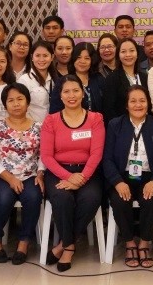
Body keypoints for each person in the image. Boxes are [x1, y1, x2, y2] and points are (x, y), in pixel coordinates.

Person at [40, 75, 106, 272]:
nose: (71, 95)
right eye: (66, 91)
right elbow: (46, 156)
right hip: (59, 171)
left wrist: (82, 177)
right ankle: (69, 247)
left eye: (75, 90)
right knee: (62, 198)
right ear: (60, 96)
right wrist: (69, 177)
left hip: (88, 170)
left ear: (83, 93)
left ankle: (63, 246)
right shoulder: (51, 121)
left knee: (92, 198)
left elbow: (96, 153)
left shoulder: (96, 118)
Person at [102, 85, 153, 268]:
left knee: (150, 199)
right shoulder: (115, 125)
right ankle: (129, 242)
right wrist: (117, 182)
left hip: (149, 175)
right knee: (119, 200)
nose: (138, 105)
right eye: (133, 101)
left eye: (142, 100)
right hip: (122, 175)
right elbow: (107, 159)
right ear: (126, 105)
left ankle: (145, 242)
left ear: (148, 104)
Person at [0, 83, 44, 266]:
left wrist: (41, 173)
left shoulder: (38, 127)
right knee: (3, 199)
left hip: (30, 175)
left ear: (27, 103)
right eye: (11, 100)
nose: (16, 104)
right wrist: (10, 178)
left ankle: (24, 243)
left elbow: (45, 154)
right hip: (3, 176)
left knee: (33, 197)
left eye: (20, 99)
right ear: (5, 105)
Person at [101, 38, 147, 124]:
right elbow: (109, 110)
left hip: (145, 126)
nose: (128, 55)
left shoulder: (145, 77)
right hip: (122, 128)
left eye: (132, 51)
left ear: (137, 54)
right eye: (123, 51)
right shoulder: (112, 79)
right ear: (118, 55)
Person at [50, 42, 105, 113]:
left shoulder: (99, 79)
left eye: (87, 58)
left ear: (92, 61)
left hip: (96, 122)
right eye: (78, 57)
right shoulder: (63, 82)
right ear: (73, 59)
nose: (82, 61)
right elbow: (54, 111)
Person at [17, 40, 56, 122]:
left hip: (52, 126)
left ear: (52, 57)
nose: (41, 59)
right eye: (37, 55)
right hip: (32, 128)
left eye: (45, 55)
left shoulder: (55, 79)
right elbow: (20, 107)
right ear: (32, 57)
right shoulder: (24, 80)